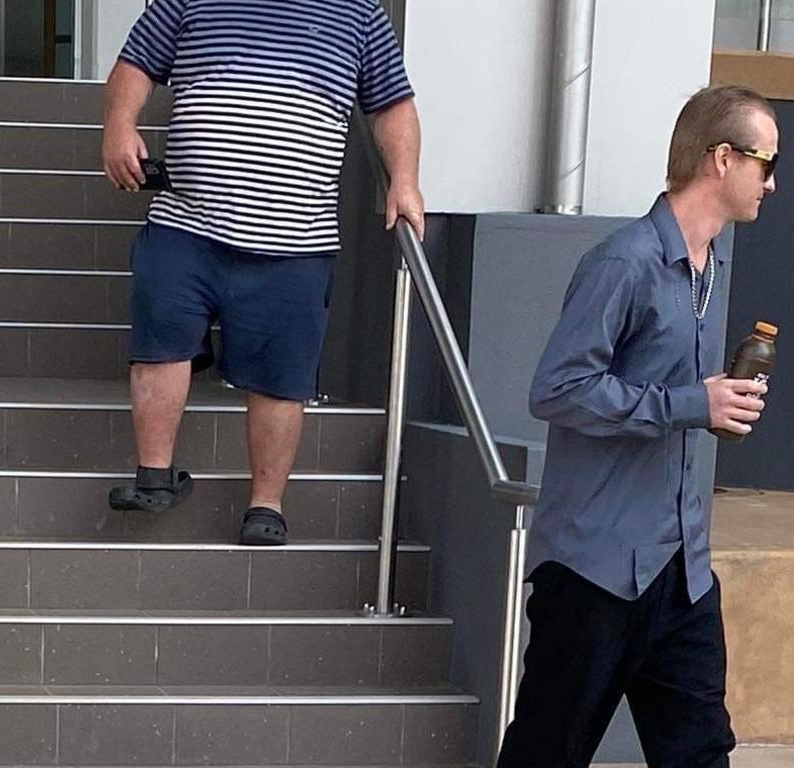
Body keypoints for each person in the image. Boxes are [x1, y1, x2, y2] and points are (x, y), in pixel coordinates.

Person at [497, 84, 778, 768]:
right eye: (765, 162)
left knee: (701, 754)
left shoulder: (710, 268)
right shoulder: (624, 262)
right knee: (547, 752)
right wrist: (691, 404)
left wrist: (716, 404)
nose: (772, 182)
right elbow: (558, 390)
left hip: (682, 574)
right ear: (721, 158)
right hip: (597, 568)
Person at [102, 0, 424, 545]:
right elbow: (135, 64)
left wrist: (405, 180)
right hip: (187, 222)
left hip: (296, 242)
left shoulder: (360, 12)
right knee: (160, 343)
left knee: (281, 378)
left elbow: (393, 105)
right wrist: (118, 125)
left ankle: (266, 506)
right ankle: (154, 474)